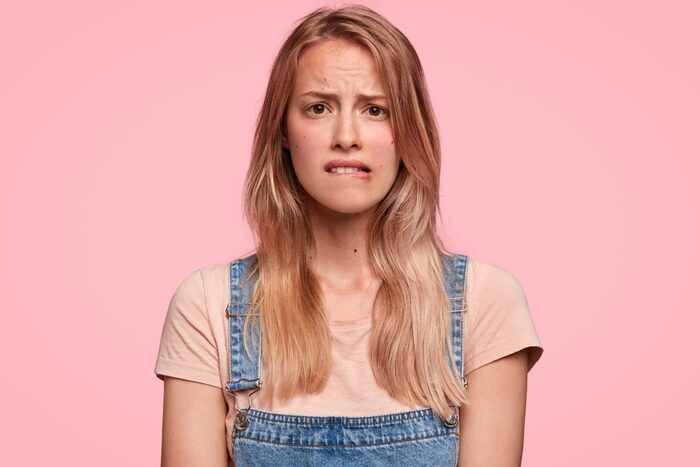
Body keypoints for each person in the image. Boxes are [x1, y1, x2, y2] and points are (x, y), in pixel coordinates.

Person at [154, 4, 544, 466]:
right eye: (318, 107)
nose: (346, 135)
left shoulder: (483, 301)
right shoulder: (209, 304)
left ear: (409, 131)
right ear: (283, 130)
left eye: (375, 109)